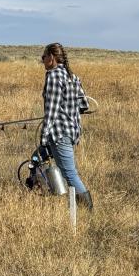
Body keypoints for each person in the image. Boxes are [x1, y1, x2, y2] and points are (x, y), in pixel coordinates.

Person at [40, 43, 93, 210]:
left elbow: (52, 109)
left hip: (59, 133)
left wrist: (44, 134)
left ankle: (87, 211)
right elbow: (84, 104)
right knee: (37, 159)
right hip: (72, 131)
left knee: (70, 174)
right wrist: (69, 110)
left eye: (44, 57)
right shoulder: (72, 76)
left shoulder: (54, 76)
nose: (42, 61)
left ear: (52, 58)